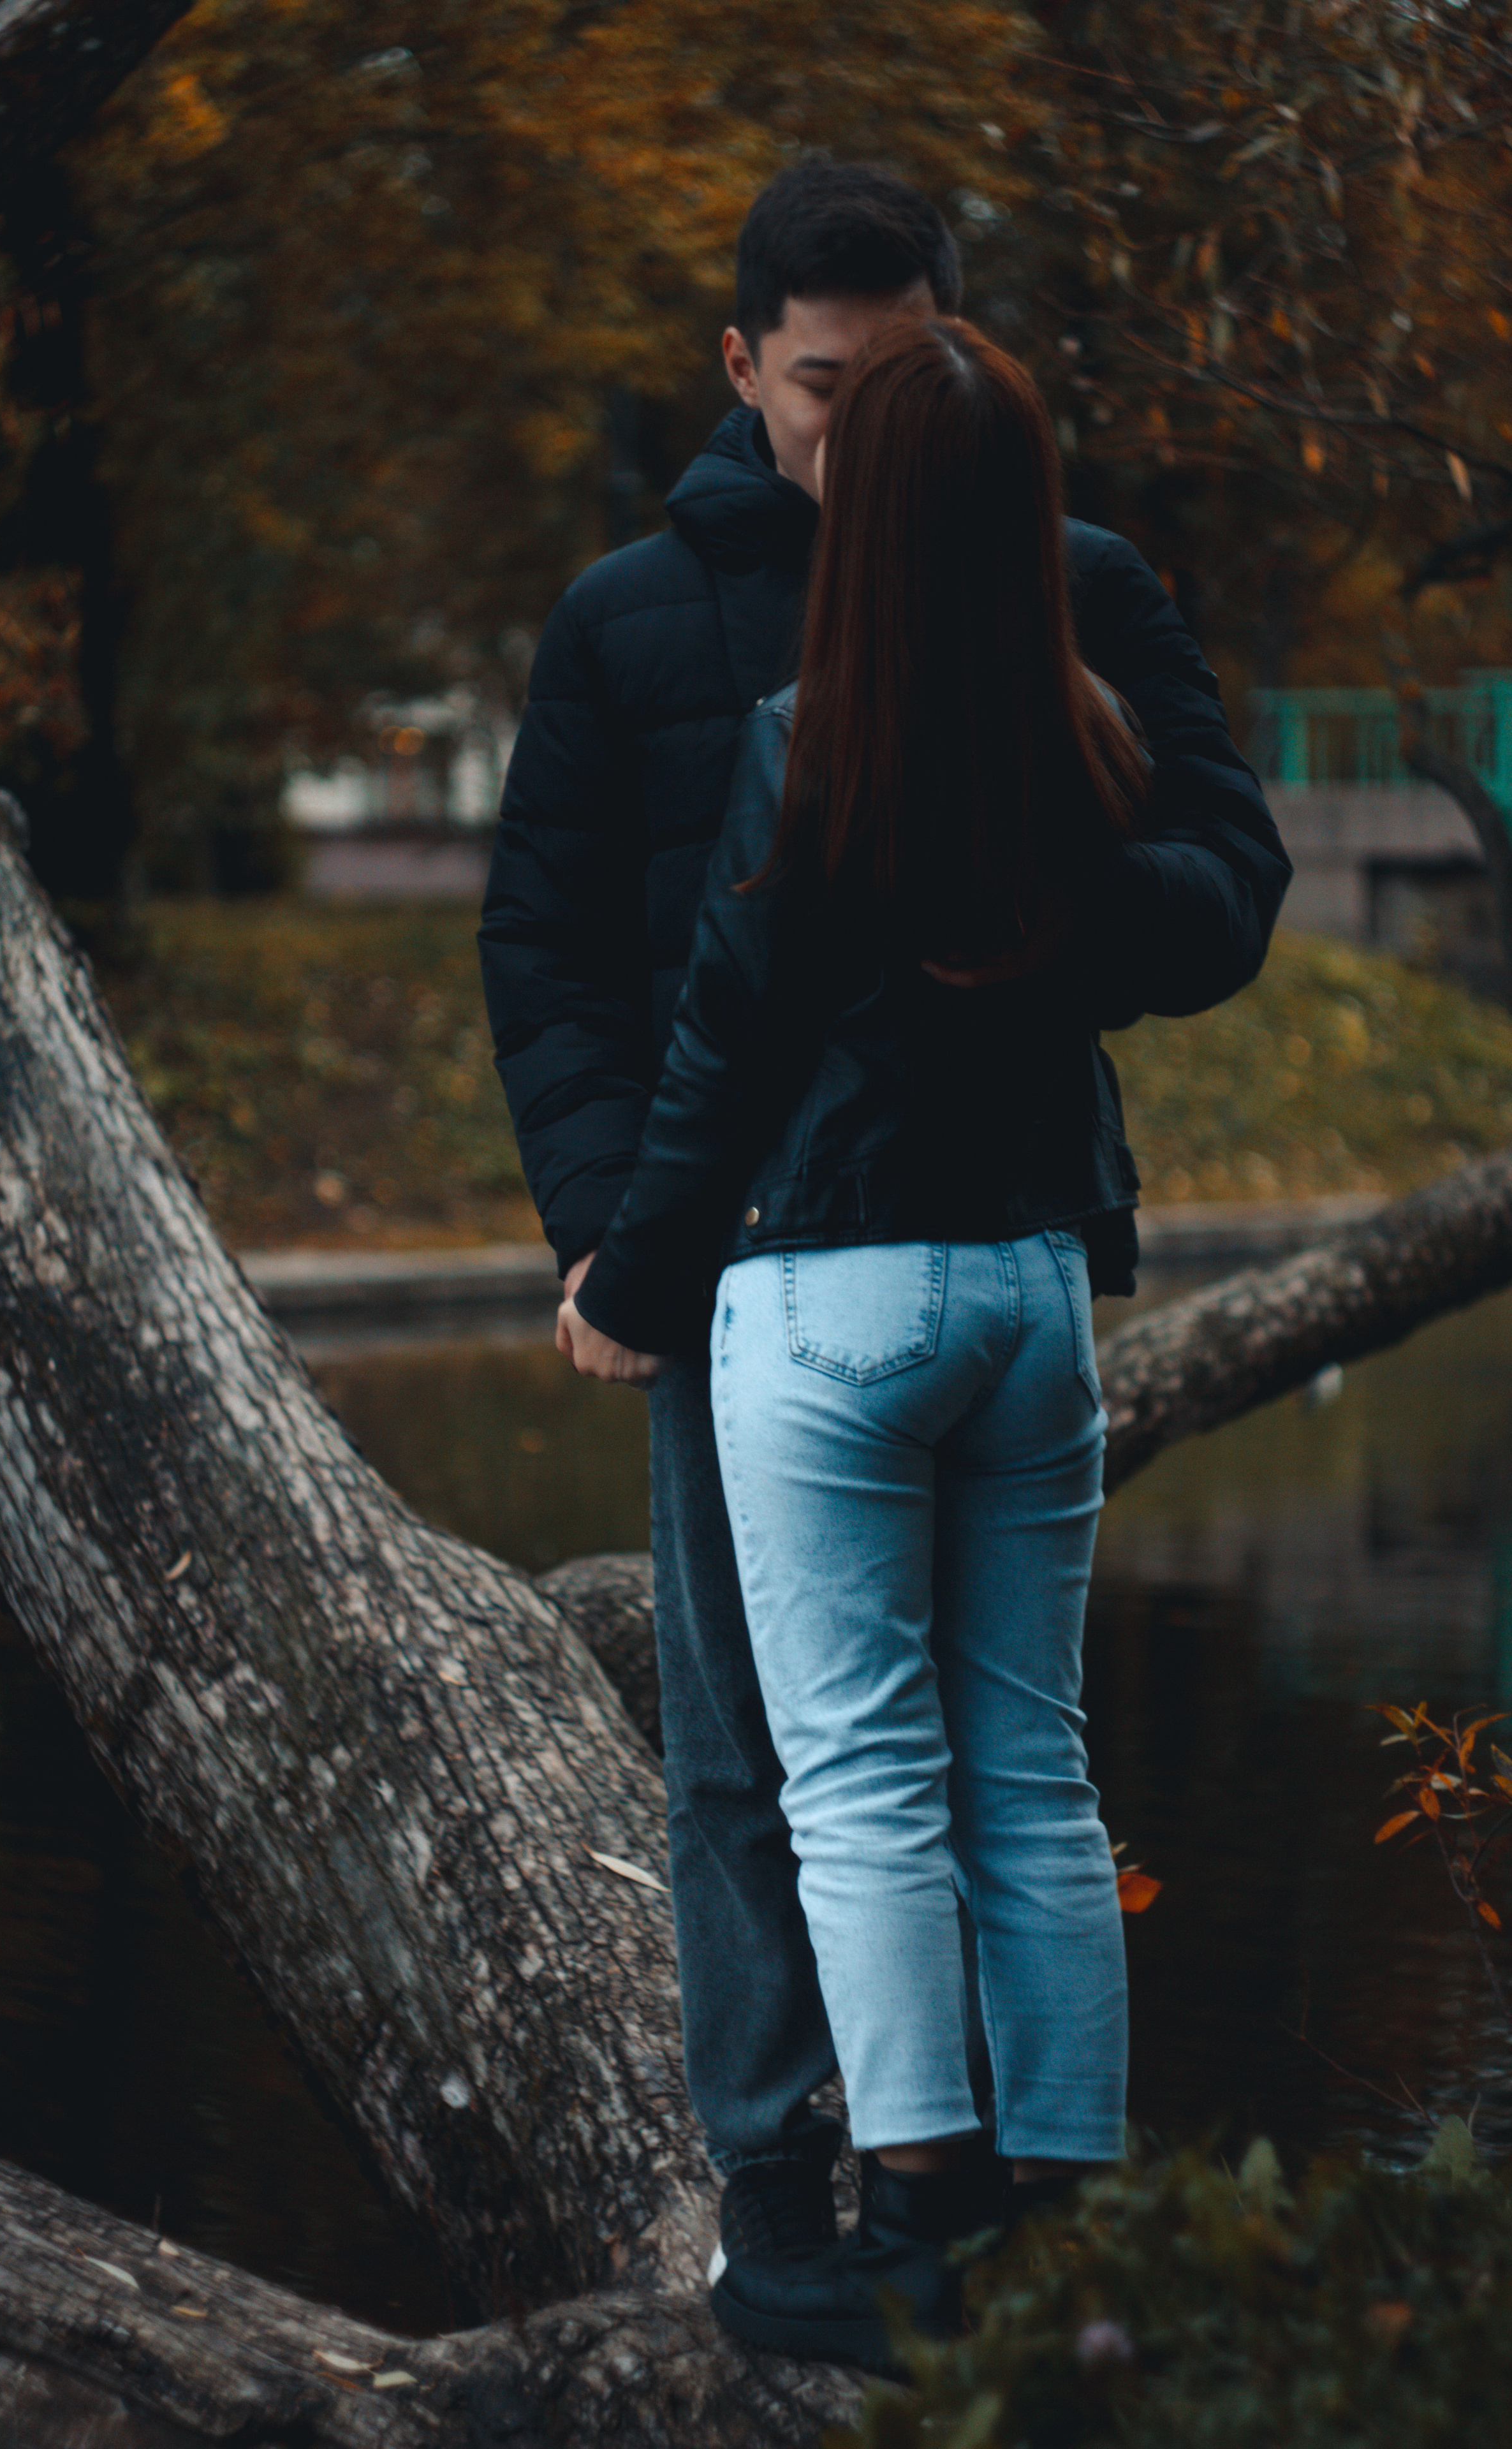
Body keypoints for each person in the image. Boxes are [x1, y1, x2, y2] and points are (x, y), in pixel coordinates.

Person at [478, 160, 1288, 2294]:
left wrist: (1031, 898)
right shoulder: (628, 624)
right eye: (825, 387)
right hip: (736, 1253)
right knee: (758, 1754)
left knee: (927, 1762)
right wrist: (614, 1241)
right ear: (744, 369)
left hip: (923, 1241)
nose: (859, 432)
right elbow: (556, 961)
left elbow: (1224, 891)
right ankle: (784, 2183)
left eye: (905, 380)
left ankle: (950, 2214)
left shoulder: (1079, 591)